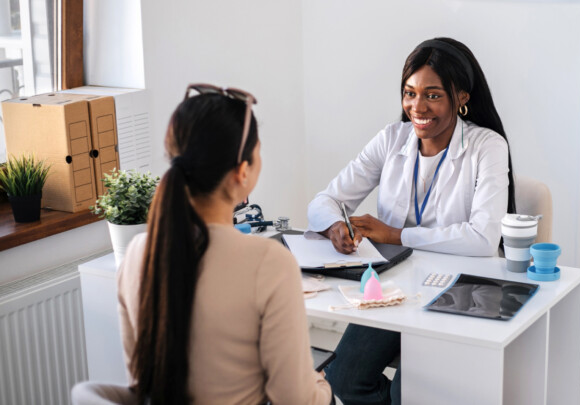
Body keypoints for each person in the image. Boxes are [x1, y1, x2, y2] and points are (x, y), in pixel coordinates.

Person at [307, 38, 515, 404]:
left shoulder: (488, 146)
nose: (417, 107)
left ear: (461, 97)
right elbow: (323, 201)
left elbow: (483, 239)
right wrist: (334, 226)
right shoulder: (391, 139)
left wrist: (395, 234)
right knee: (342, 379)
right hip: (395, 288)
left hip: (460, 291)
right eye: (409, 93)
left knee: (413, 393)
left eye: (432, 95)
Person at [117, 84, 333, 405]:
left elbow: (138, 378)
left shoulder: (137, 252)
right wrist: (319, 383)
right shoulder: (269, 263)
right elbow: (295, 399)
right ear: (242, 172)